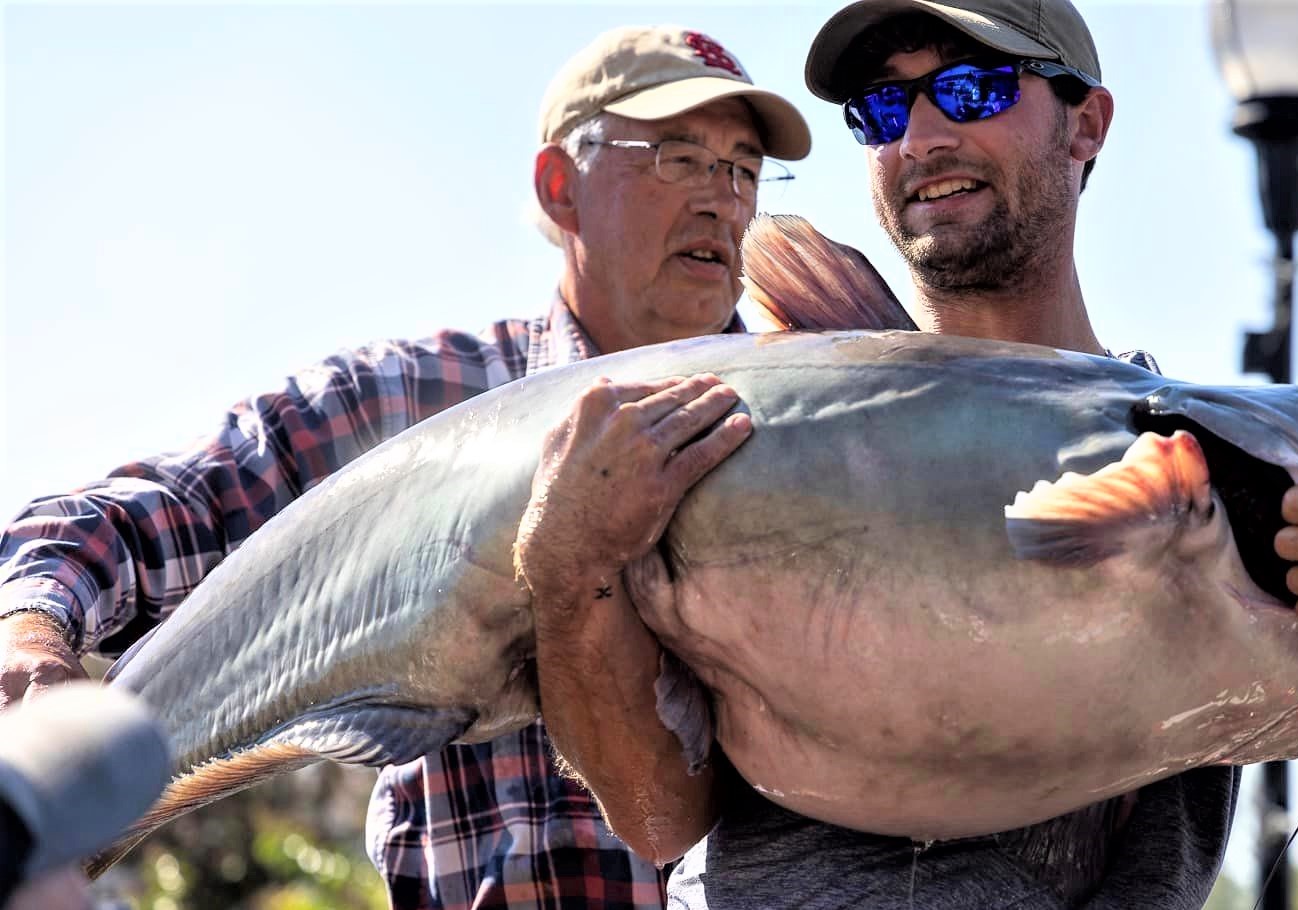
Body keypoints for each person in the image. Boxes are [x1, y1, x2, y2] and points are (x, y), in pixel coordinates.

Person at [542, 2, 1298, 908]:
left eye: (973, 89)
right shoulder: (748, 433)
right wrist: (569, 575)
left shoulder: (1232, 461)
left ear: (1088, 124)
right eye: (883, 113)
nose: (925, 137)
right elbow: (659, 815)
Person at [0, 23, 810, 910]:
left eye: (741, 170)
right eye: (677, 156)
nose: (721, 202)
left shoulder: (818, 422)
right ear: (559, 185)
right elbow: (137, 516)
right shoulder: (412, 406)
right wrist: (31, 633)